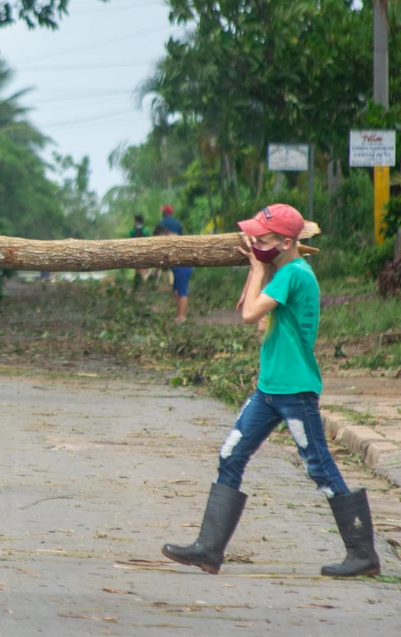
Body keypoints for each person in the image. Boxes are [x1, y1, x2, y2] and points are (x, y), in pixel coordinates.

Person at [161, 204, 379, 578]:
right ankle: (209, 549)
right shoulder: (285, 271)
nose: (256, 242)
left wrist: (258, 269)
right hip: (270, 389)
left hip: (295, 390)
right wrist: (257, 268)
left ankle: (363, 554)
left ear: (287, 241)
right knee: (231, 454)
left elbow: (247, 314)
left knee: (320, 467)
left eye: (263, 238)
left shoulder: (293, 274)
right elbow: (248, 307)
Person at [153, 206, 192, 324]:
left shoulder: (170, 238)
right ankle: (179, 314)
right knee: (176, 292)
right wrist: (156, 270)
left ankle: (182, 317)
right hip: (177, 266)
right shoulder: (176, 226)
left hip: (183, 266)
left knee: (182, 292)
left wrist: (156, 270)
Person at [129, 214, 152, 288]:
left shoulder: (132, 231)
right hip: (144, 251)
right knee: (143, 267)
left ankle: (137, 282)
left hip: (135, 251)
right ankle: (143, 282)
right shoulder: (146, 230)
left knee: (137, 268)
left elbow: (129, 241)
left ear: (136, 221)